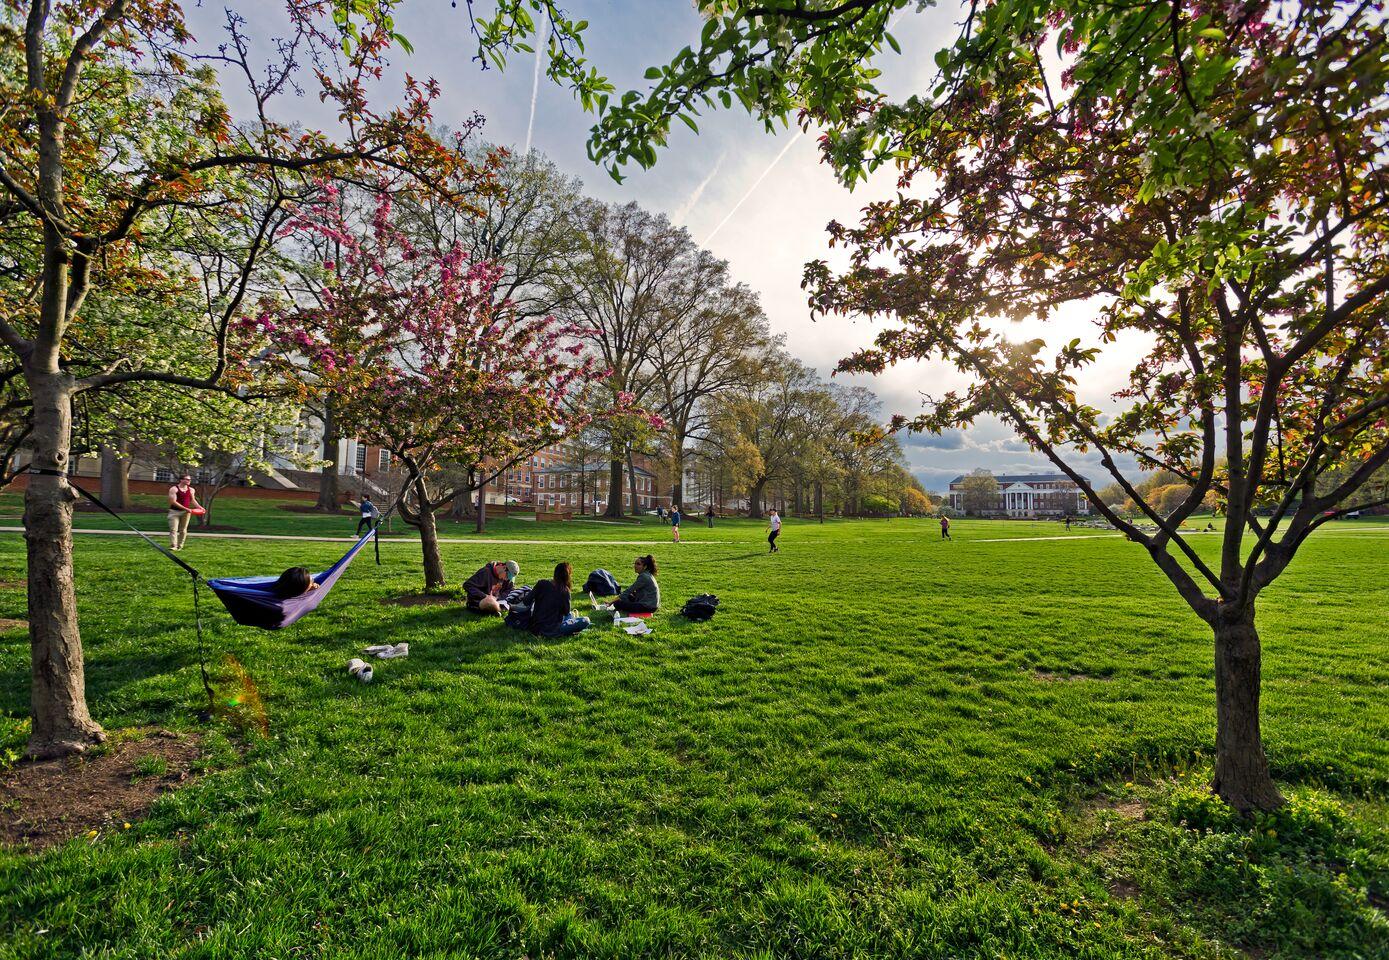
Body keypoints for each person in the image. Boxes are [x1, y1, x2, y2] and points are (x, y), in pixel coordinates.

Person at [528, 562, 590, 637]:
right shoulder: (564, 590)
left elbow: (527, 600)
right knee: (585, 620)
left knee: (570, 614)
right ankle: (572, 627)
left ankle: (571, 624)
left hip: (536, 627)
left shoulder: (541, 583)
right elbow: (566, 612)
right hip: (553, 629)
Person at [167, 473, 202, 551]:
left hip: (186, 513)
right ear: (181, 480)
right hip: (174, 512)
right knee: (173, 529)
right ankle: (174, 545)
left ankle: (180, 546)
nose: (189, 481)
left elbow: (192, 500)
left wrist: (199, 507)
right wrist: (185, 508)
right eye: (187, 479)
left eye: (189, 479)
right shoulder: (174, 489)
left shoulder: (191, 490)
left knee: (183, 530)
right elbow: (173, 501)